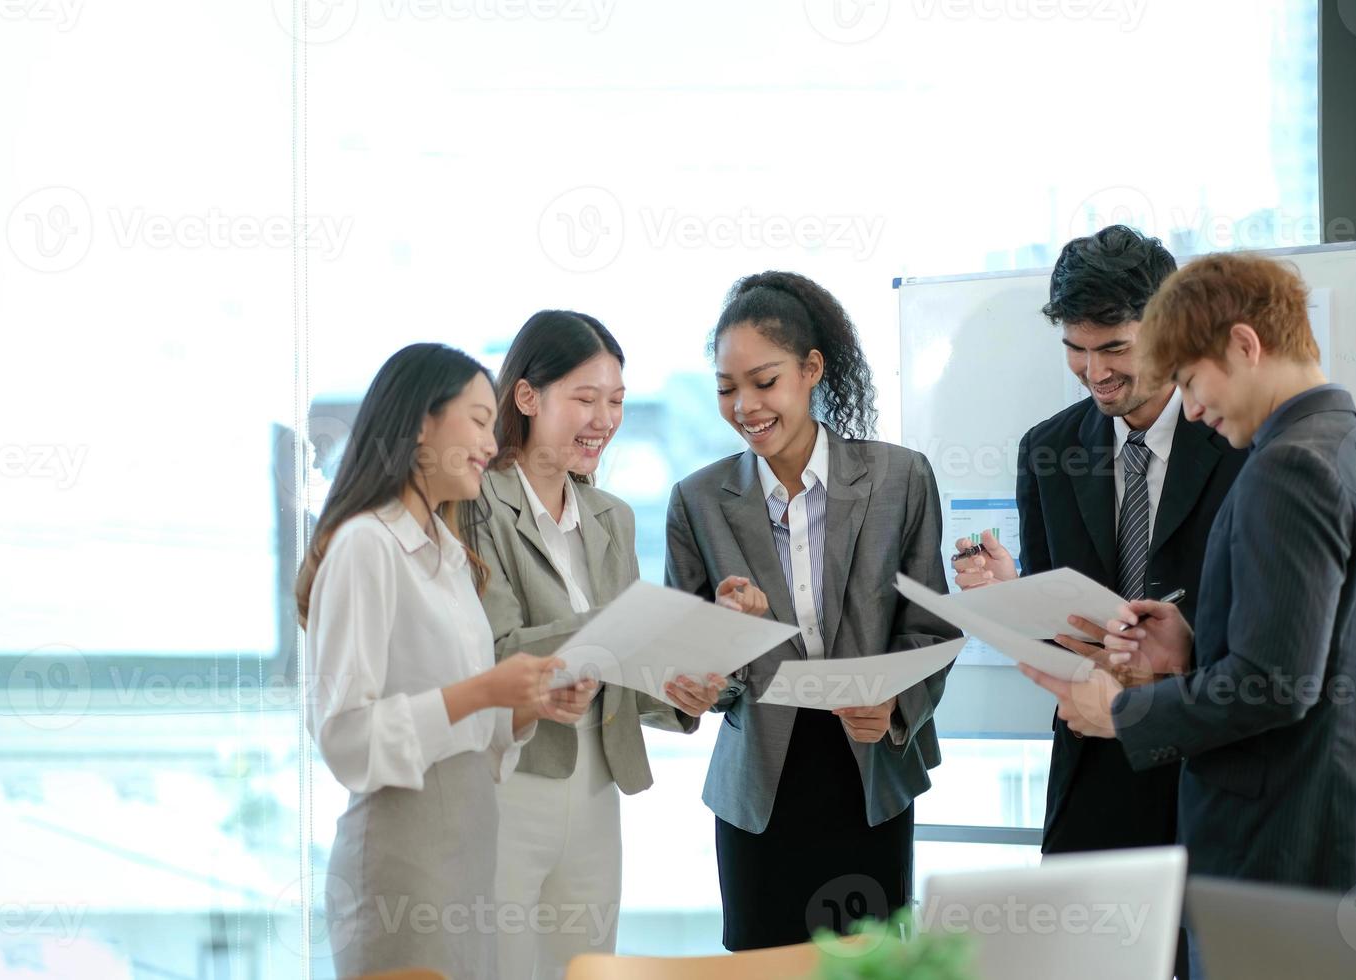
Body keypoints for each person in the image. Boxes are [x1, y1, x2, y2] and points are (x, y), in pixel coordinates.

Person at [1021, 253, 1356, 978]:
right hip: (1333, 832)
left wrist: (1121, 715)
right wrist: (1191, 647)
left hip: (1275, 847)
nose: (1189, 409)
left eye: (1189, 380)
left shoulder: (1286, 466)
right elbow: (1315, 648)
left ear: (1244, 346)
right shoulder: (1351, 444)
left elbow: (1277, 686)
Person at [664, 270, 959, 951]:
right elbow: (691, 666)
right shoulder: (699, 501)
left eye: (763, 383)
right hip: (758, 791)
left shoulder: (898, 477)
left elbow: (929, 627)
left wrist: (895, 702)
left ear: (810, 370)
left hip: (869, 770)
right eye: (726, 388)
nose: (745, 405)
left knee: (872, 967)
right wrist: (712, 660)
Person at [297, 342, 597, 979]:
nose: (493, 445)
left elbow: (476, 737)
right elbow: (347, 739)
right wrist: (487, 690)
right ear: (421, 423)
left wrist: (523, 705)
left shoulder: (450, 557)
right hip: (400, 864)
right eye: (480, 421)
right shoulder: (365, 548)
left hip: (467, 855)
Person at [472, 311, 727, 979]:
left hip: (594, 781)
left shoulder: (612, 515)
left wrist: (680, 692)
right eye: (584, 399)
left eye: (614, 401)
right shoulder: (477, 505)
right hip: (508, 780)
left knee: (582, 966)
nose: (603, 420)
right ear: (527, 398)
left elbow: (626, 657)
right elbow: (498, 649)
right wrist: (622, 623)